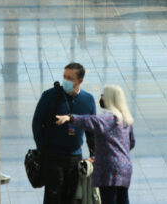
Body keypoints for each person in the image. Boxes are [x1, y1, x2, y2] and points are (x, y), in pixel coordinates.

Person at [56, 84, 135, 204]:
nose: (101, 99)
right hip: (125, 167)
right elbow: (131, 143)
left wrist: (70, 118)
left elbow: (88, 121)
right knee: (123, 199)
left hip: (109, 168)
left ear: (109, 98)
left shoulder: (107, 119)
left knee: (109, 200)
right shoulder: (126, 119)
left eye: (103, 96)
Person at [32, 62, 97, 204]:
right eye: (64, 77)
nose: (65, 81)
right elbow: (37, 122)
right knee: (53, 197)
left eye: (70, 78)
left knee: (71, 196)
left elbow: (91, 128)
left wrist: (93, 153)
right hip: (53, 156)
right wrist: (42, 147)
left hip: (74, 157)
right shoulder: (50, 96)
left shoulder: (88, 100)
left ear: (80, 81)